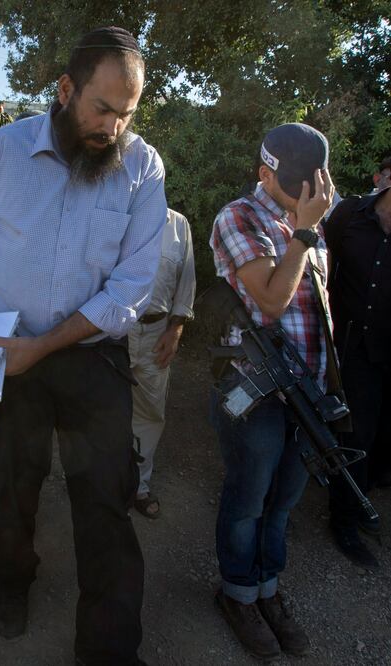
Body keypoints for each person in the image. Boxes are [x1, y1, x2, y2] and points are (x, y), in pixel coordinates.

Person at [0, 26, 166, 665]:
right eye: (102, 108)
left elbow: (130, 288)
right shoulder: (4, 151)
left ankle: (109, 647)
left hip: (92, 356)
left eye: (127, 113)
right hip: (10, 351)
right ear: (65, 90)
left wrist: (47, 346)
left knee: (105, 502)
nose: (114, 127)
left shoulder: (142, 166)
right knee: (11, 485)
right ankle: (13, 584)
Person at [209, 123, 335, 660]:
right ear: (265, 172)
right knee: (248, 500)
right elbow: (270, 302)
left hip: (309, 389)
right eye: (294, 183)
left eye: (315, 183)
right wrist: (304, 235)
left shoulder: (309, 214)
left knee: (283, 502)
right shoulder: (238, 217)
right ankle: (238, 594)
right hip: (256, 390)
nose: (307, 193)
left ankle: (268, 589)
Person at [324, 174, 391, 568]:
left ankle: (362, 498)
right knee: (356, 435)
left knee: (384, 436)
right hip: (354, 349)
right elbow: (320, 264)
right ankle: (344, 519)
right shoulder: (349, 215)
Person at [130, 208, 195, 518]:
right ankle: (103, 486)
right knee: (104, 411)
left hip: (158, 333)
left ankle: (138, 488)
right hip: (116, 331)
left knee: (150, 413)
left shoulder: (178, 224)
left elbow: (186, 283)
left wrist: (177, 327)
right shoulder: (115, 214)